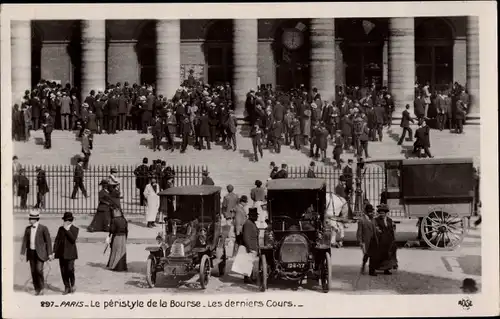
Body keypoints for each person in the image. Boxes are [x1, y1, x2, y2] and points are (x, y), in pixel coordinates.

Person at [20, 210, 53, 295]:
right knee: (33, 271)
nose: (29, 220)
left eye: (31, 218)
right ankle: (37, 289)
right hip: (31, 253)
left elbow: (48, 241)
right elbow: (24, 241)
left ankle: (41, 288)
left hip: (40, 253)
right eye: (29, 218)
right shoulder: (28, 229)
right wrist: (22, 253)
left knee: (39, 270)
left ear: (35, 219)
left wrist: (50, 253)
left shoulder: (43, 228)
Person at [53, 212, 79, 294]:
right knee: (63, 270)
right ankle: (66, 286)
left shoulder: (75, 229)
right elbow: (57, 241)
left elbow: (73, 239)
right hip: (61, 253)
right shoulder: (60, 229)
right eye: (64, 220)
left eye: (65, 220)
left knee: (70, 269)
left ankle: (73, 284)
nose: (64, 222)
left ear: (70, 221)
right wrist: (54, 251)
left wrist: (67, 230)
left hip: (71, 254)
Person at [370, 204, 397, 276]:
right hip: (379, 240)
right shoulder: (376, 220)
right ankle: (373, 270)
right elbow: (375, 229)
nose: (381, 214)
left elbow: (392, 230)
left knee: (387, 256)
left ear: (386, 213)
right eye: (380, 213)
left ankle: (386, 269)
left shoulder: (390, 220)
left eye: (383, 213)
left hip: (388, 240)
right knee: (377, 256)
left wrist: (393, 240)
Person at [356, 204, 377, 275]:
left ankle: (372, 270)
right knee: (366, 255)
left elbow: (375, 230)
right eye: (369, 212)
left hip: (373, 241)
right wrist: (360, 242)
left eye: (371, 211)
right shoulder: (361, 220)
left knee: (373, 255)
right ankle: (363, 265)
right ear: (366, 212)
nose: (371, 213)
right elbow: (359, 232)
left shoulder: (373, 219)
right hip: (365, 241)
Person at [242, 207, 260, 284]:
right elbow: (246, 237)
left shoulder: (251, 223)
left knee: (250, 263)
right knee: (248, 263)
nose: (257, 217)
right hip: (251, 247)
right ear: (252, 216)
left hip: (253, 246)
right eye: (256, 216)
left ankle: (250, 277)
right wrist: (249, 248)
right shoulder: (248, 224)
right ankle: (247, 278)